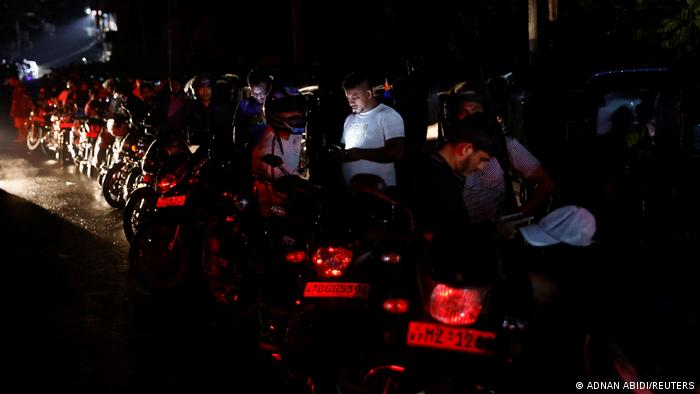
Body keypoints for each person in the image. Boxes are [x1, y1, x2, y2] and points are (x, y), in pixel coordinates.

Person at [447, 87, 555, 224]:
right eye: (463, 111)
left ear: (486, 113)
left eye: (475, 110)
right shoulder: (448, 151)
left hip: (499, 235)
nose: (470, 117)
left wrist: (514, 217)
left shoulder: (506, 146)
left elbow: (546, 183)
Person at [410, 114, 494, 242]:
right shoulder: (438, 183)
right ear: (465, 149)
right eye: (482, 159)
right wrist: (494, 231)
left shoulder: (427, 166)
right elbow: (450, 238)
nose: (481, 167)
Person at [340, 71, 405, 192]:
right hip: (351, 190)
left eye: (355, 97)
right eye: (348, 97)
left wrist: (361, 154)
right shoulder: (349, 119)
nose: (350, 102)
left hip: (380, 192)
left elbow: (397, 152)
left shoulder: (388, 115)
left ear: (368, 93)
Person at [250, 86, 309, 216]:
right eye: (288, 109)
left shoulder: (294, 135)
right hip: (275, 211)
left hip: (294, 205)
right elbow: (288, 180)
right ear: (273, 113)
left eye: (298, 107)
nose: (296, 113)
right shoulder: (268, 147)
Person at [8, 77, 34, 142]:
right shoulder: (25, 90)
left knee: (20, 125)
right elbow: (29, 99)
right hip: (26, 110)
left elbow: (15, 102)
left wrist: (12, 110)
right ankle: (25, 137)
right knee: (25, 124)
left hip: (18, 110)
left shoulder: (16, 91)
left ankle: (21, 137)